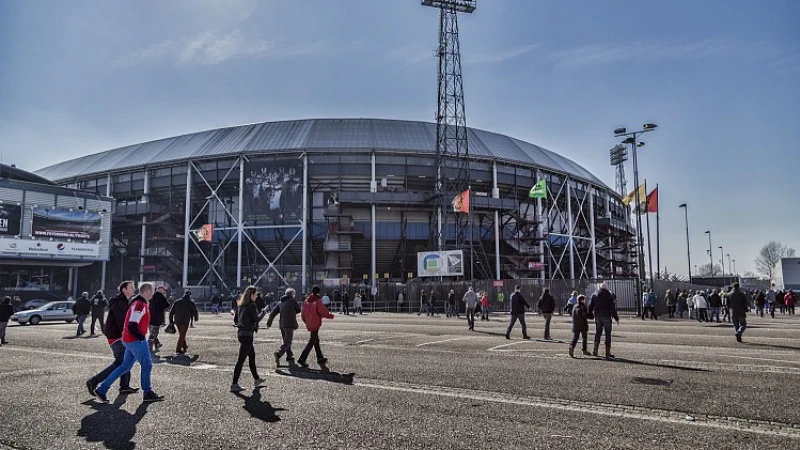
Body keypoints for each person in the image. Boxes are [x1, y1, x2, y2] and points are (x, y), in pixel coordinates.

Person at [92, 282, 164, 403]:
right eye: (152, 291)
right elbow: (132, 324)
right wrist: (141, 338)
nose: (153, 293)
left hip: (128, 339)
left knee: (124, 367)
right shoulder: (140, 304)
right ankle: (147, 392)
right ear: (146, 292)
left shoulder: (138, 302)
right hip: (134, 340)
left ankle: (101, 390)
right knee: (147, 365)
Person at [86, 281, 139, 398]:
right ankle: (94, 381)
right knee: (120, 363)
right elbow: (122, 322)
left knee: (126, 361)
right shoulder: (120, 303)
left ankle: (124, 386)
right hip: (117, 337)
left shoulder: (124, 301)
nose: (134, 289)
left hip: (118, 336)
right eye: (131, 287)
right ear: (124, 290)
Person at [230, 286, 267, 393]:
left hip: (241, 333)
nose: (256, 296)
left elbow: (236, 319)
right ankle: (234, 384)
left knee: (252, 356)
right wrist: (264, 312)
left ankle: (256, 379)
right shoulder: (251, 305)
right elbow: (257, 320)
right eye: (255, 294)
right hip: (247, 335)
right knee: (241, 360)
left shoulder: (240, 305)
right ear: (251, 294)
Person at [297, 286, 335, 368]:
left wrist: (306, 321)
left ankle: (320, 357)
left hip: (309, 322)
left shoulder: (306, 301)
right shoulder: (317, 301)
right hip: (315, 322)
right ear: (318, 292)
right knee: (312, 341)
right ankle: (302, 358)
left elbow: (303, 314)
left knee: (315, 340)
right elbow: (323, 310)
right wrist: (330, 316)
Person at [267, 287, 301, 366]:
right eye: (294, 294)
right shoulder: (292, 301)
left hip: (282, 324)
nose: (294, 295)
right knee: (288, 341)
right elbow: (299, 309)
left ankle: (289, 356)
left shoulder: (280, 303)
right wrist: (292, 311)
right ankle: (278, 353)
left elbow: (272, 313)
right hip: (289, 324)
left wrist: (269, 322)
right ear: (292, 294)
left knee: (286, 340)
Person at [587, 282, 620, 359]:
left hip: (598, 316)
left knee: (598, 332)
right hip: (607, 316)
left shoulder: (595, 294)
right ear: (606, 287)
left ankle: (595, 350)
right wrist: (616, 319)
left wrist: (590, 315)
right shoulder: (609, 295)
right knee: (608, 333)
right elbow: (612, 308)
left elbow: (591, 306)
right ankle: (607, 353)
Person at [148, 286, 171, 353]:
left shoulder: (151, 297)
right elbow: (167, 305)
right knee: (154, 333)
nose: (165, 292)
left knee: (152, 333)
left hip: (149, 318)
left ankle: (157, 345)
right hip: (157, 318)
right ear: (160, 290)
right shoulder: (161, 297)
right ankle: (150, 348)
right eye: (164, 290)